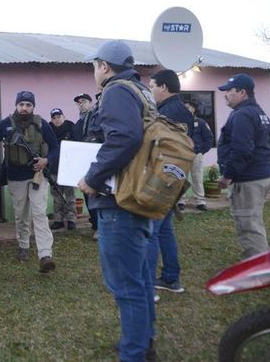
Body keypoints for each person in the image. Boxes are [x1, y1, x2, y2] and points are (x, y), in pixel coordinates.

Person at [79, 40, 156, 362]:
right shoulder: (142, 90)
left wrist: (92, 178)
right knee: (138, 279)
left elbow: (124, 137)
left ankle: (134, 353)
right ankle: (142, 341)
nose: (94, 72)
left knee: (125, 285)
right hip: (139, 195)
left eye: (94, 66)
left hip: (118, 203)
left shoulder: (115, 91)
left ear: (104, 66)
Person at [0, 90, 59, 273]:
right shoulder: (5, 124)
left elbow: (54, 147)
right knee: (21, 214)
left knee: (39, 214)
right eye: (21, 104)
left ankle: (45, 255)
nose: (24, 108)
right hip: (15, 176)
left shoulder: (42, 124)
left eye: (28, 105)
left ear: (33, 107)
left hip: (37, 176)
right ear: (16, 105)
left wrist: (46, 161)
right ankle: (23, 245)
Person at [146, 69, 194, 295]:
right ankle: (171, 278)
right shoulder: (182, 110)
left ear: (164, 87)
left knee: (151, 232)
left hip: (162, 179)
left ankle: (147, 287)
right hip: (175, 178)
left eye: (152, 85)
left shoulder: (168, 113)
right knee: (164, 230)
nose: (150, 90)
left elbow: (161, 148)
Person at [217, 73, 270, 259]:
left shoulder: (242, 115)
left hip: (249, 178)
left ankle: (258, 270)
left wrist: (227, 176)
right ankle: (259, 262)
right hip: (260, 174)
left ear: (242, 92)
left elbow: (242, 151)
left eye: (229, 91)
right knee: (254, 220)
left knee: (248, 223)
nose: (225, 94)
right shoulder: (258, 111)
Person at [178, 99, 214, 211]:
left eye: (188, 108)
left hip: (196, 154)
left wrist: (201, 151)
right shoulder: (180, 124)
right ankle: (181, 201)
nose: (186, 110)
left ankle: (200, 201)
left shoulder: (201, 122)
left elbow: (209, 138)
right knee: (181, 178)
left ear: (193, 109)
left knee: (197, 178)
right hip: (182, 154)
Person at [72, 92, 100, 238]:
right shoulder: (77, 124)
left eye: (84, 101)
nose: (81, 103)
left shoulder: (98, 117)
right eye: (79, 102)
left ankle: (100, 227)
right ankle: (96, 225)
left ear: (90, 103)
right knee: (88, 195)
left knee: (99, 195)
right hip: (83, 165)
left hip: (98, 163)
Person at [48, 108, 76, 230]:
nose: (57, 120)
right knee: (57, 196)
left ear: (63, 117)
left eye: (59, 117)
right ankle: (58, 220)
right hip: (54, 168)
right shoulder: (48, 130)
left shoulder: (71, 128)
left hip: (69, 168)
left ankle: (71, 220)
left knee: (70, 196)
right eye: (54, 118)